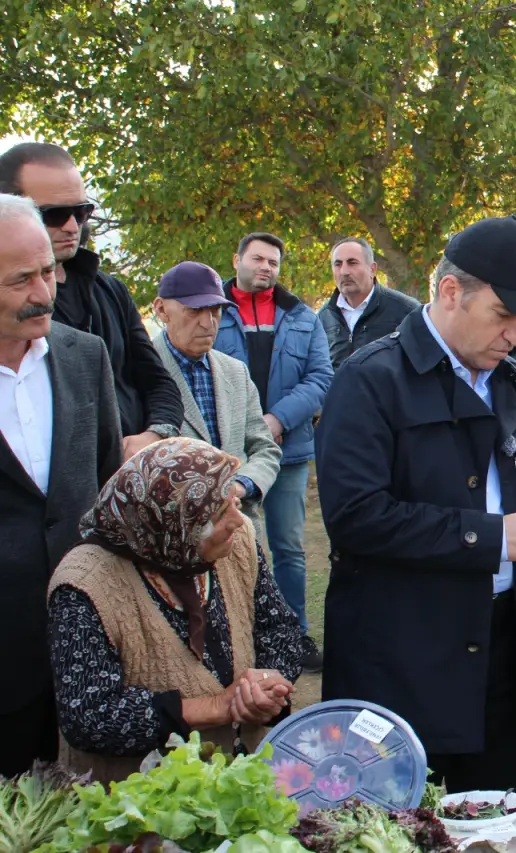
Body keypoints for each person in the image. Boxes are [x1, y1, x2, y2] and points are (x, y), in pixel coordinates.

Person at [316, 216, 516, 794]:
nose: (515, 335)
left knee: (501, 818)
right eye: (503, 315)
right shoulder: (369, 381)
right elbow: (356, 517)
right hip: (407, 656)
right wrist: (492, 539)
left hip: (509, 657)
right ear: (450, 292)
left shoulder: (513, 382)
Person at [47, 438, 304, 782]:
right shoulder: (85, 585)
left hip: (238, 783)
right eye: (217, 513)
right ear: (170, 526)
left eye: (231, 499)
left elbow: (280, 628)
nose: (238, 521)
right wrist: (218, 707)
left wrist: (268, 684)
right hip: (138, 804)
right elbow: (90, 718)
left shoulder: (236, 542)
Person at [0, 194, 123, 777]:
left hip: (85, 643)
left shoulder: (85, 355)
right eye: (21, 280)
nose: (44, 294)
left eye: (48, 270)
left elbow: (105, 488)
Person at [0, 143, 182, 458]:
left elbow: (158, 382)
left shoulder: (110, 291)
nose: (72, 226)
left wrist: (154, 435)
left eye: (81, 211)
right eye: (54, 214)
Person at [215, 232, 332, 672]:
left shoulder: (303, 316)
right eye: (258, 259)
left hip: (288, 452)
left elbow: (322, 376)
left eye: (274, 262)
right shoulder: (214, 310)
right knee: (228, 546)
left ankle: (292, 634)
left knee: (287, 547)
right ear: (237, 259)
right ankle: (237, 637)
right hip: (225, 454)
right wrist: (245, 430)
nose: (267, 267)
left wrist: (276, 421)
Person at [151, 261, 282, 543]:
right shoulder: (136, 372)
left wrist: (241, 485)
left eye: (215, 311)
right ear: (161, 309)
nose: (208, 323)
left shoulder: (236, 371)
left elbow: (264, 447)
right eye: (195, 310)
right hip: (173, 543)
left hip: (241, 537)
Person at [319, 237, 421, 372]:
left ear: (372, 269)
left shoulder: (406, 310)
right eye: (337, 264)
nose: (344, 271)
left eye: (352, 263)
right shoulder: (323, 317)